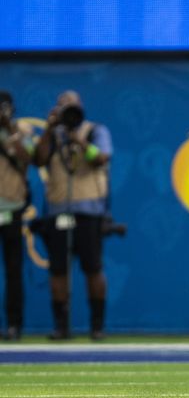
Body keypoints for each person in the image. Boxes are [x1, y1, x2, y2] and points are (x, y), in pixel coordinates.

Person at [34, 90, 113, 340]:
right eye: (62, 107)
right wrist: (49, 129)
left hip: (88, 210)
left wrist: (78, 140)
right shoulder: (53, 134)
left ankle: (97, 326)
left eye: (71, 107)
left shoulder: (94, 131)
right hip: (58, 210)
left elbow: (101, 158)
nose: (67, 111)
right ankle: (61, 326)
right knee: (58, 271)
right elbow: (38, 159)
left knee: (93, 268)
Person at [0, 91, 34, 341]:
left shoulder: (21, 131)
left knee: (13, 270)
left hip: (11, 208)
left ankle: (14, 324)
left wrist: (10, 129)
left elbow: (28, 158)